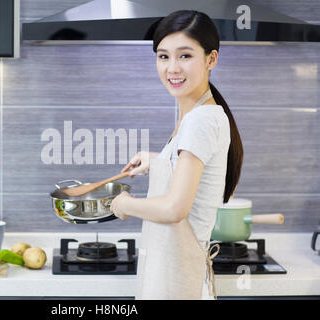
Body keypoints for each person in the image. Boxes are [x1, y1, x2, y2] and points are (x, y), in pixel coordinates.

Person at [110, 10, 243, 300]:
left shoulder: (200, 120)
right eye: (163, 56)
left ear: (211, 59)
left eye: (185, 56)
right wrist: (158, 160)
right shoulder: (201, 115)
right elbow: (196, 168)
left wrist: (123, 204)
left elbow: (175, 209)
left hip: (180, 285)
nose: (172, 68)